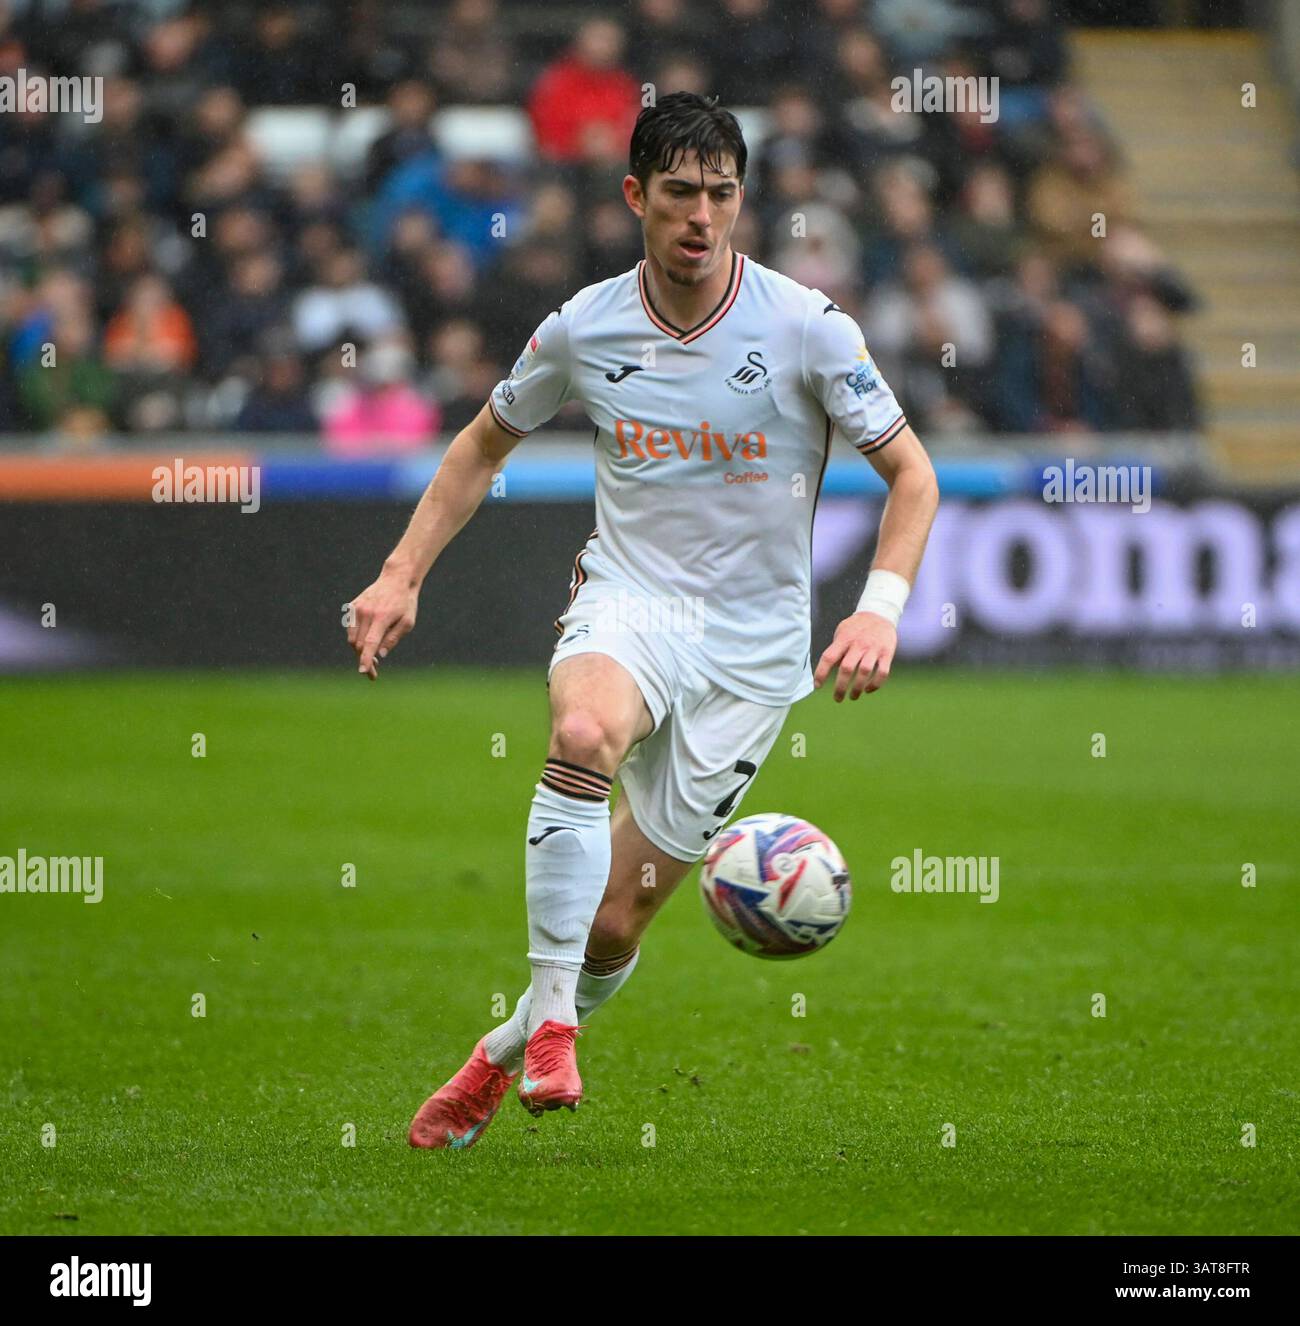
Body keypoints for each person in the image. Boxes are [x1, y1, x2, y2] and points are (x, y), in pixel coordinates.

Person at [345, 93, 939, 1150]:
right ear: (636, 198)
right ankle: (552, 1027)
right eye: (678, 195)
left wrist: (879, 610)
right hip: (629, 599)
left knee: (615, 924)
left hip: (753, 656)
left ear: (741, 199)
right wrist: (399, 576)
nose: (700, 216)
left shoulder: (807, 326)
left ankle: (498, 1054)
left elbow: (911, 476)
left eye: (720, 194)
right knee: (579, 737)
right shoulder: (584, 326)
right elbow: (482, 445)